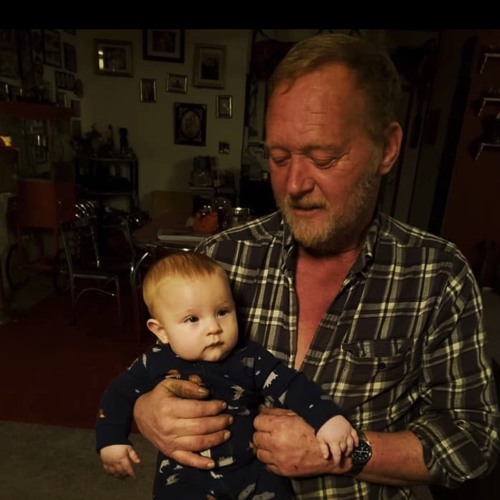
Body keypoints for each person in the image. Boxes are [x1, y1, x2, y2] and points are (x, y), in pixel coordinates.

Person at [133, 33, 500, 498]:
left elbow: (473, 443)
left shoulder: (438, 275)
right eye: (278, 157)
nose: (294, 184)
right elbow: (162, 363)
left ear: (387, 149)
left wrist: (343, 451)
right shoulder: (222, 256)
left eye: (323, 157)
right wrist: (146, 409)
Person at [96, 251, 358, 499]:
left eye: (222, 312)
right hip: (184, 473)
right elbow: (118, 393)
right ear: (161, 331)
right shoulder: (154, 360)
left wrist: (327, 418)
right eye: (192, 319)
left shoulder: (250, 356)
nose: (214, 327)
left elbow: (292, 384)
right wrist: (111, 440)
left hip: (252, 467)